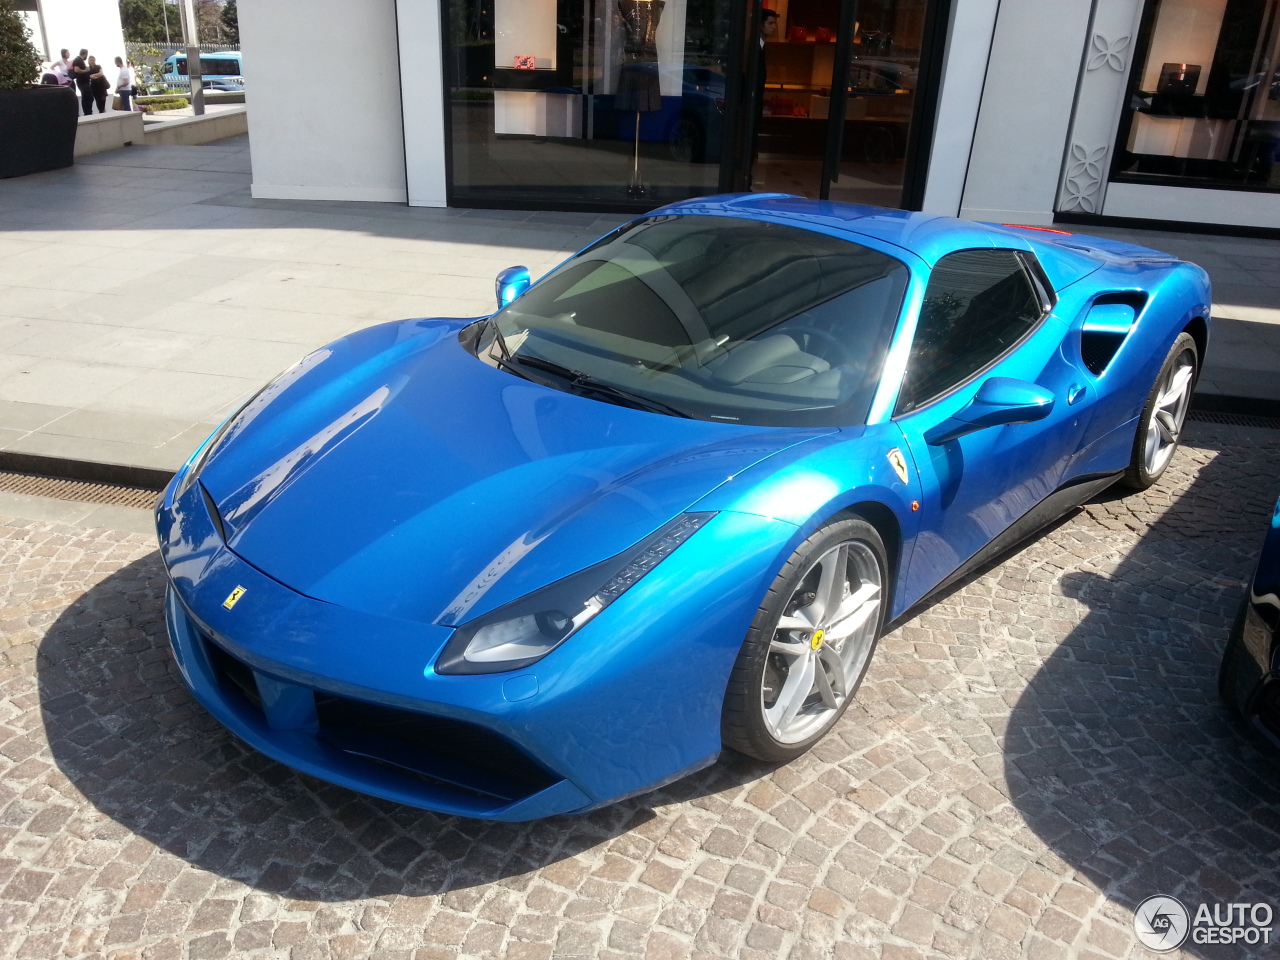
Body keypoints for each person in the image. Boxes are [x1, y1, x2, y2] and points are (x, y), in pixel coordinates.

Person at [71, 48, 92, 115]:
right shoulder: (77, 60)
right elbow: (76, 70)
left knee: (88, 97)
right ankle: (87, 112)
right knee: (87, 96)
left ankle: (88, 111)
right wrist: (86, 70)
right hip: (82, 82)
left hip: (85, 82)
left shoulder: (81, 60)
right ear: (85, 54)